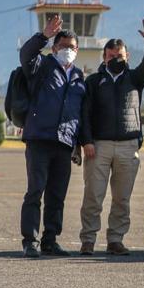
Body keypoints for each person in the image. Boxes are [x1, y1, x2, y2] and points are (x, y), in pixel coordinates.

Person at [77, 18, 144, 256]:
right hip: (98, 147)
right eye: (111, 56)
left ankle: (115, 239)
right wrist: (87, 141)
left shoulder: (135, 79)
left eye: (120, 55)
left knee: (122, 198)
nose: (116, 59)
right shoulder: (93, 82)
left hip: (127, 146)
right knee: (93, 195)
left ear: (127, 56)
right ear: (104, 58)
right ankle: (88, 239)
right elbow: (85, 113)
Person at [17, 15, 87, 257]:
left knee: (57, 194)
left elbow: (79, 113)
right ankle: (30, 240)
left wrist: (77, 143)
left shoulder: (79, 77)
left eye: (72, 47)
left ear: (78, 50)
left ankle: (50, 239)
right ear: (55, 47)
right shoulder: (42, 67)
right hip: (39, 139)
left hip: (64, 142)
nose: (68, 50)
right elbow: (26, 54)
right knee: (36, 190)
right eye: (64, 46)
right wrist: (43, 36)